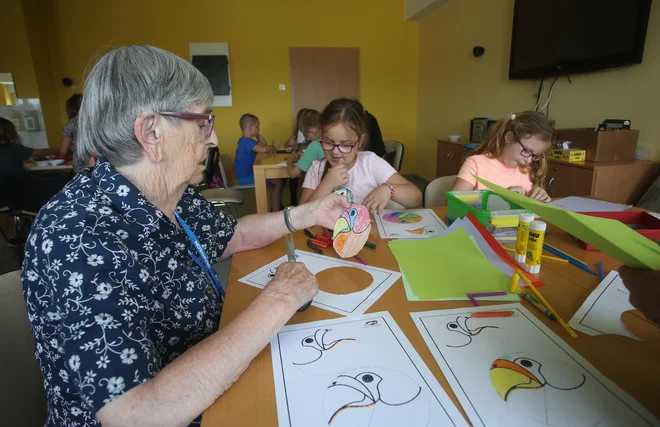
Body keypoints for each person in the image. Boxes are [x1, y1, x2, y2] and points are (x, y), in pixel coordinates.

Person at [21, 45, 350, 427]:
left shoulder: (168, 191)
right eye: (202, 123)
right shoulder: (76, 234)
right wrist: (278, 299)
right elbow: (135, 415)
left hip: (208, 379)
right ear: (151, 132)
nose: (212, 140)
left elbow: (235, 235)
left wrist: (305, 213)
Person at [299, 98, 422, 214]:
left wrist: (388, 189)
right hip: (326, 235)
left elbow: (416, 197)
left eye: (345, 144)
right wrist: (326, 184)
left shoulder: (370, 163)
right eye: (328, 142)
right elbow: (300, 216)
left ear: (360, 141)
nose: (335, 152)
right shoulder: (316, 168)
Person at [451, 111, 553, 202]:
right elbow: (452, 204)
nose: (528, 160)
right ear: (509, 137)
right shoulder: (476, 164)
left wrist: (539, 195)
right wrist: (498, 198)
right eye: (526, 151)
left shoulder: (529, 169)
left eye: (535, 156)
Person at [234, 113, 284, 211]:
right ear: (250, 127)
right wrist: (274, 147)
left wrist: (257, 134)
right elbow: (264, 149)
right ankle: (275, 211)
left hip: (247, 174)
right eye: (257, 127)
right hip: (245, 177)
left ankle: (275, 207)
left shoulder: (247, 141)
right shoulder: (246, 142)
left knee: (276, 180)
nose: (259, 129)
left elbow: (263, 144)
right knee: (278, 182)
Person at [286, 109, 322, 205]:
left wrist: (289, 161)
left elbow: (293, 174)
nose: (307, 138)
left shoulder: (314, 145)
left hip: (318, 193)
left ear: (312, 131)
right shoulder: (328, 141)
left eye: (306, 134)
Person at [59, 93, 93, 172]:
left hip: (80, 164)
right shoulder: (96, 122)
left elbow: (63, 150)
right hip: (99, 162)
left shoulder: (72, 124)